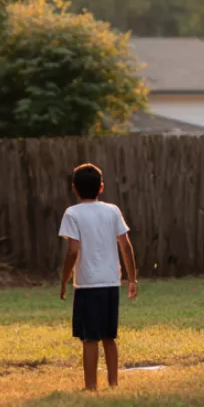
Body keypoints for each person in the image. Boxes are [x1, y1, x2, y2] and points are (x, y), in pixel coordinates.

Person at [59, 163, 138, 391]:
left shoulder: (72, 214)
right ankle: (113, 383)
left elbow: (73, 251)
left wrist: (64, 279)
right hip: (111, 283)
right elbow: (126, 246)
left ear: (74, 188)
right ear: (101, 187)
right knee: (109, 337)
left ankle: (91, 386)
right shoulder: (112, 211)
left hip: (87, 285)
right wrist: (132, 278)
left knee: (90, 338)